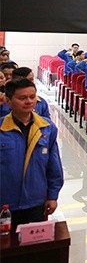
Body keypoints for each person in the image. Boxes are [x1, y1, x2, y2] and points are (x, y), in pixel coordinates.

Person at [0, 79, 64, 228]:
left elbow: (54, 165)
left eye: (32, 97)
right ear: (8, 101)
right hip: (5, 203)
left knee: (34, 240)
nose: (29, 101)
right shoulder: (2, 127)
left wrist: (53, 196)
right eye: (22, 98)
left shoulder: (47, 128)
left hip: (36, 202)